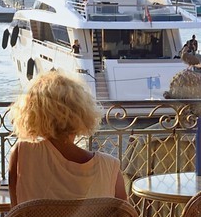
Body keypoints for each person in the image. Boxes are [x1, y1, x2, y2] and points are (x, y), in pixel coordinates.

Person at [7, 71, 128, 203]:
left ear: (31, 114)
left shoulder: (23, 153)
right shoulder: (109, 167)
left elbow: (16, 210)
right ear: (82, 112)